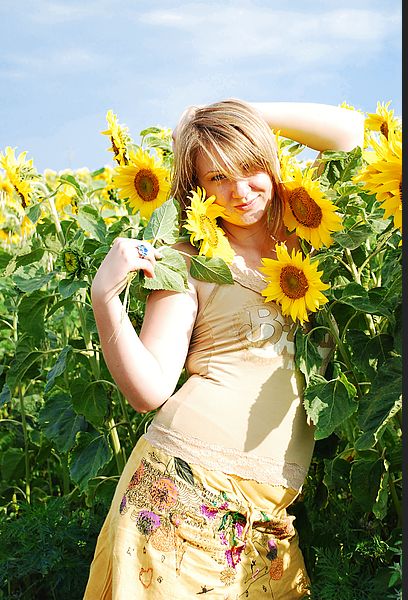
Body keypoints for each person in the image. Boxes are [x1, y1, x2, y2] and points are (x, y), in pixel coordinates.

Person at [83, 99, 364, 599]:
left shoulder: (305, 230)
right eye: (216, 177)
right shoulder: (189, 260)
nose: (240, 190)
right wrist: (105, 299)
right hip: (185, 493)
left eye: (251, 166)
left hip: (269, 516)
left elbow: (352, 133)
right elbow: (149, 390)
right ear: (197, 188)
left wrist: (232, 116)